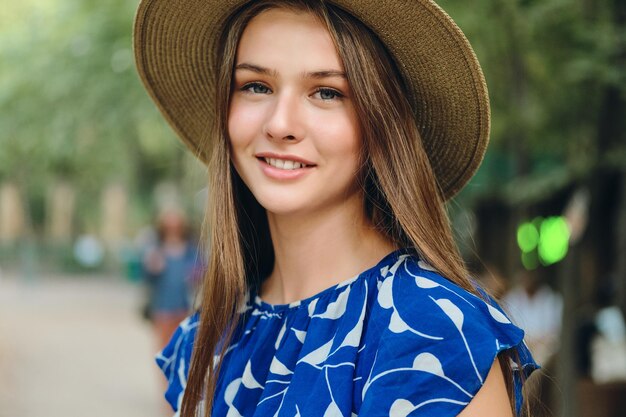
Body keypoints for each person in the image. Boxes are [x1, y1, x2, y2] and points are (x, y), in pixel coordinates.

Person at [134, 1, 538, 416]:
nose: (280, 123)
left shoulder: (437, 332)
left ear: (380, 122)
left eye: (327, 92)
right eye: (256, 85)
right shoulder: (205, 339)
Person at [142, 209, 202, 349]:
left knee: (185, 347)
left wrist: (195, 274)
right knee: (164, 348)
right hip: (162, 307)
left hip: (186, 307)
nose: (173, 227)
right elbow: (146, 278)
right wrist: (151, 267)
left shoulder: (191, 249)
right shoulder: (156, 248)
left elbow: (201, 272)